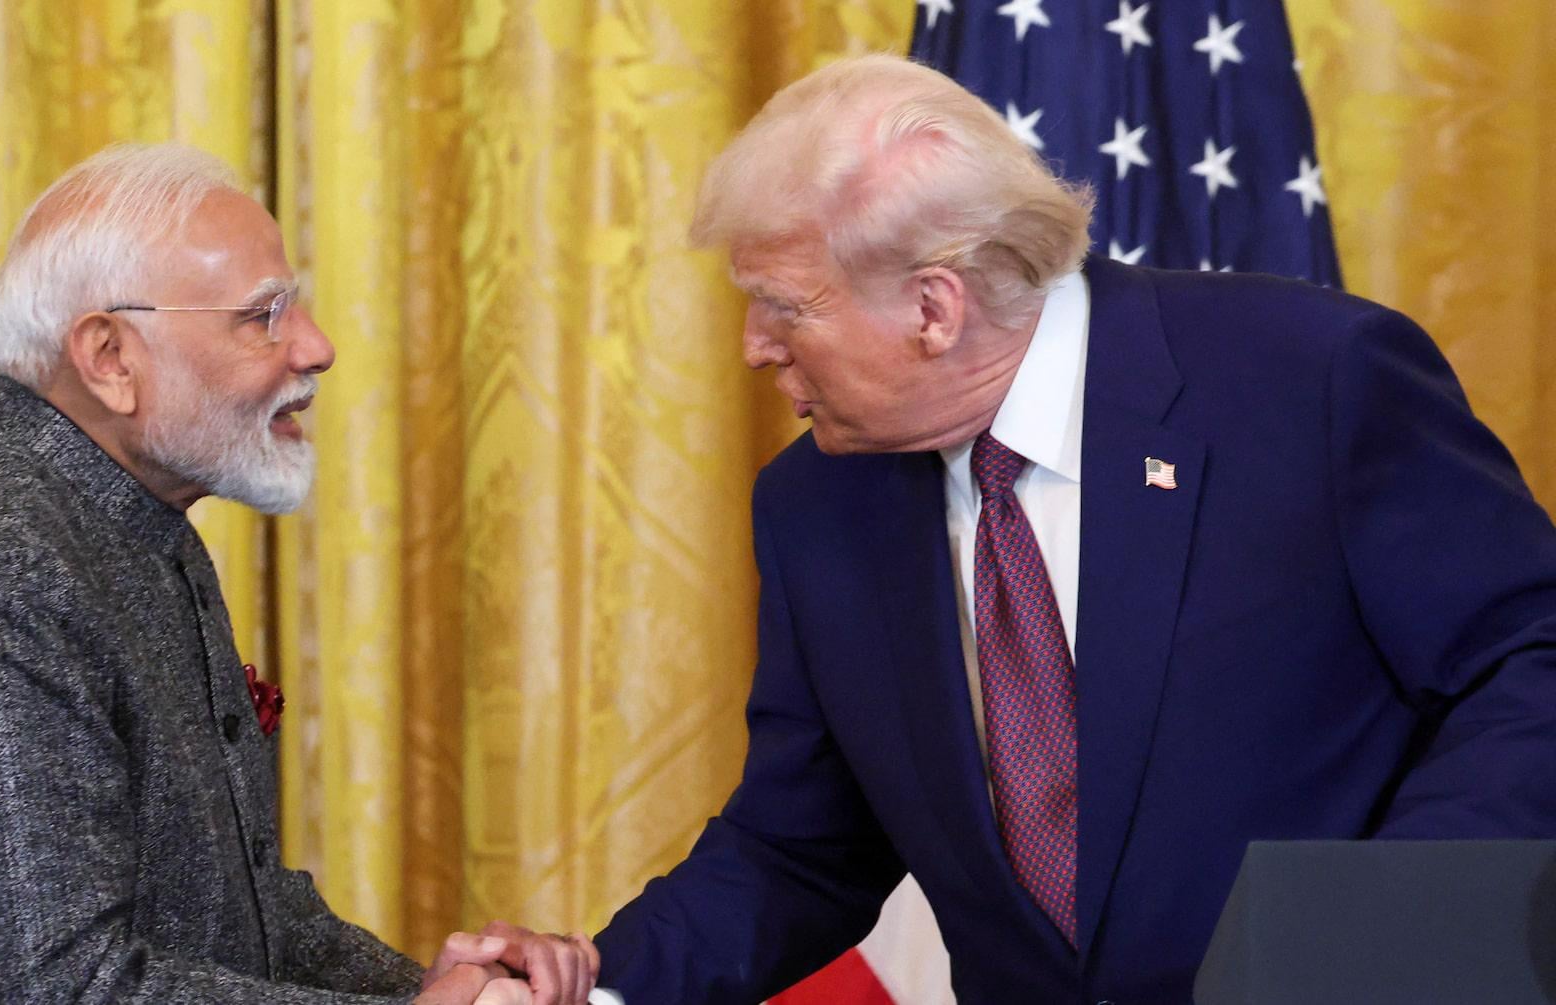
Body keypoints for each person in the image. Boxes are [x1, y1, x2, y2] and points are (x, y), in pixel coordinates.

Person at [586, 54, 1556, 1003]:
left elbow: (1527, 663)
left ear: (933, 307)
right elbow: (801, 848)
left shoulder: (1312, 382)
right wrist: (594, 988)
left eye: (783, 308)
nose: (755, 348)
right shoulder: (818, 505)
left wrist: (1386, 936)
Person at [0, 144, 597, 1005]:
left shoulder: (129, 521)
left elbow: (254, 915)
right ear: (110, 357)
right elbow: (59, 988)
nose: (317, 347)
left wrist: (434, 987)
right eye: (264, 315)